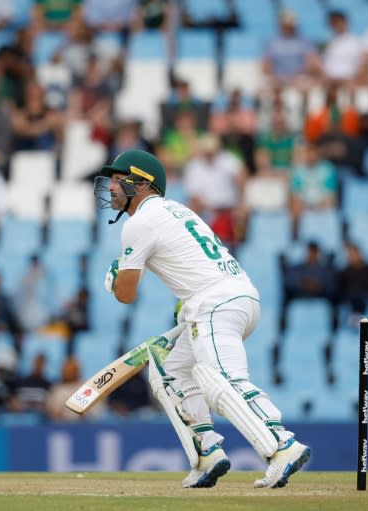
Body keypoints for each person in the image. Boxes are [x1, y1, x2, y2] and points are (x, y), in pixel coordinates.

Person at [93, 149, 310, 488]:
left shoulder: (140, 222)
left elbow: (126, 294)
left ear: (143, 183)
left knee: (220, 379)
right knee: (171, 374)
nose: (112, 188)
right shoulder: (177, 210)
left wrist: (114, 275)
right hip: (234, 298)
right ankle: (207, 452)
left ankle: (282, 445)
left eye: (119, 180)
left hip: (214, 304)